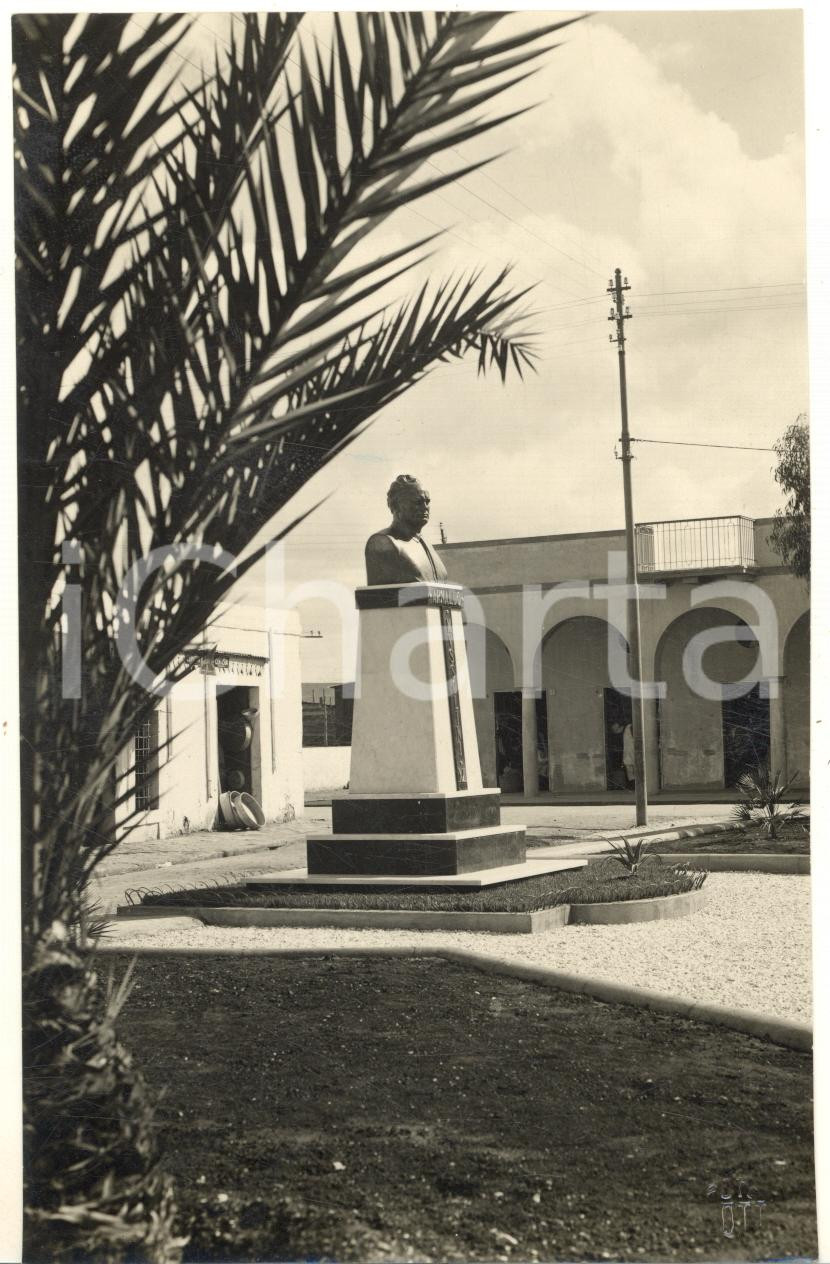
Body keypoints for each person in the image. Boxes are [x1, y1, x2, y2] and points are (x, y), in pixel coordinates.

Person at [365, 474, 448, 585]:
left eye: (427, 502)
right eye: (417, 502)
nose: (425, 507)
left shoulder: (425, 544)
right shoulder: (382, 542)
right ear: (397, 505)